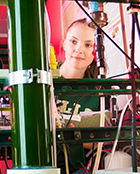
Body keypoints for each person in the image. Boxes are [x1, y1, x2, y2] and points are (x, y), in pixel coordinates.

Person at [56, 18, 103, 174]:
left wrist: (74, 136)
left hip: (77, 169)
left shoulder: (99, 92)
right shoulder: (43, 79)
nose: (79, 50)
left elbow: (105, 142)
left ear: (95, 51)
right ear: (64, 43)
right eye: (73, 41)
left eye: (88, 45)